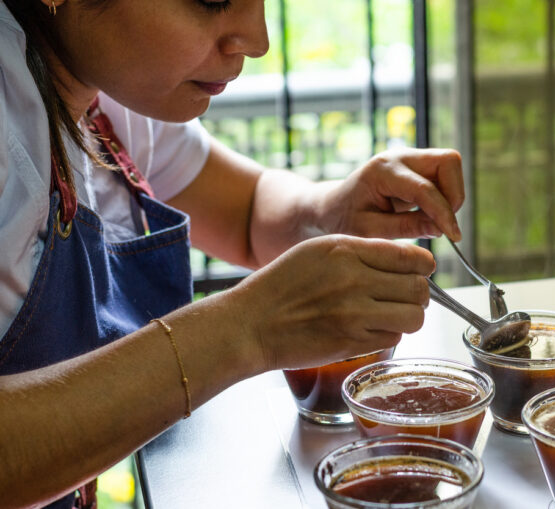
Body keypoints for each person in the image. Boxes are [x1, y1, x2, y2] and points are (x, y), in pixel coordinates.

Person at [0, 0, 465, 507]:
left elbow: (245, 211)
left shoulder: (112, 98)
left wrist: (330, 211)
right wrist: (244, 330)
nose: (258, 40)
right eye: (213, 0)